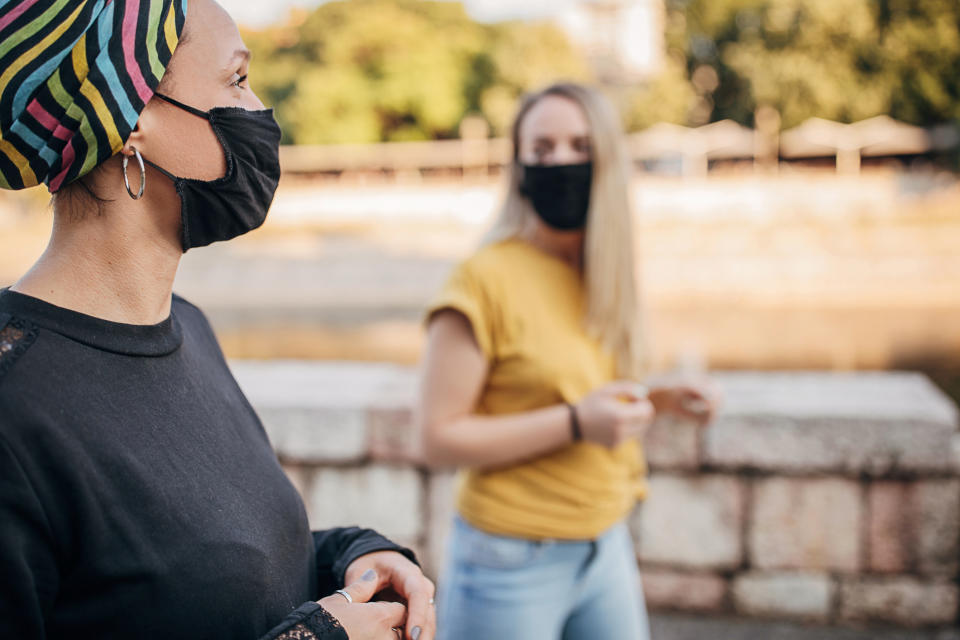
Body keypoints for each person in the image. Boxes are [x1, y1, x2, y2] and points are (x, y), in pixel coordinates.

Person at [0, 1, 435, 639]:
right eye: (236, 81)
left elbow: (200, 571)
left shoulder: (189, 329)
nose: (261, 111)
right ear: (133, 120)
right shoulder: (14, 408)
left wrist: (351, 555)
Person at [418, 82, 720, 640]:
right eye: (542, 149)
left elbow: (573, 387)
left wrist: (657, 400)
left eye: (580, 146)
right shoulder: (482, 280)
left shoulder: (606, 272)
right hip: (509, 560)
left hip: (606, 544)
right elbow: (437, 438)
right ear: (520, 166)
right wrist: (577, 423)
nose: (561, 162)